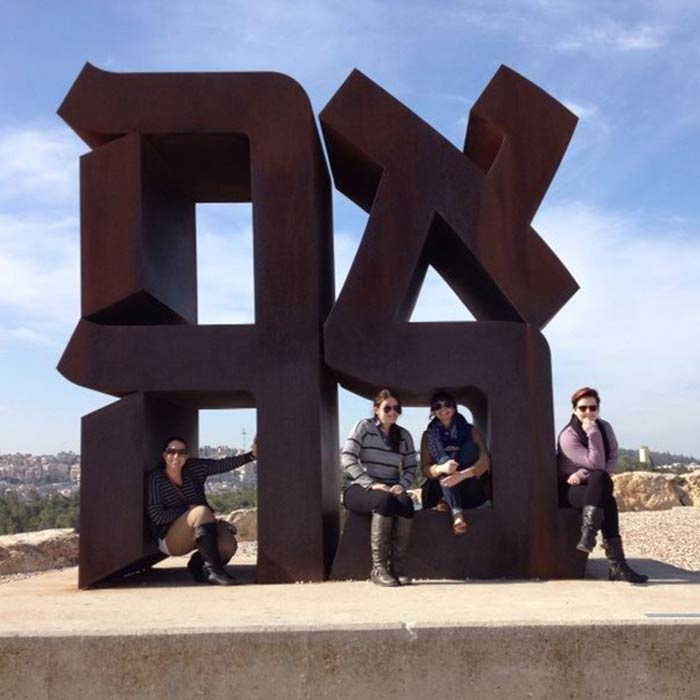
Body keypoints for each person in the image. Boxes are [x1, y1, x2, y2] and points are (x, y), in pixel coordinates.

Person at [557, 387, 647, 583]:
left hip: (592, 484)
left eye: (593, 407)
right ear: (574, 410)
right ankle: (618, 565)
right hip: (569, 489)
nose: (588, 412)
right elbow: (597, 463)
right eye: (582, 408)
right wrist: (591, 430)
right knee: (607, 497)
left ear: (598, 408)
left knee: (601, 482)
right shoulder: (568, 435)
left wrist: (581, 473)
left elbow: (612, 459)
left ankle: (589, 536)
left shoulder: (605, 427)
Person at [147, 436, 257, 586]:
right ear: (164, 454)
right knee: (201, 512)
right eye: (171, 452)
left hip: (197, 528)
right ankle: (215, 572)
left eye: (181, 452)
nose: (176, 456)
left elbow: (221, 465)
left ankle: (197, 564)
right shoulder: (156, 478)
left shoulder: (193, 469)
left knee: (228, 546)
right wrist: (188, 510)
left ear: (186, 456)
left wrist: (251, 456)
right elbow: (157, 516)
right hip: (170, 539)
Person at [341, 389, 417, 586]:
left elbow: (410, 467)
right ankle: (378, 568)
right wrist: (372, 484)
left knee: (405, 503)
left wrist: (402, 485)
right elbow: (347, 457)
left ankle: (397, 567)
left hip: (392, 487)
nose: (393, 412)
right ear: (376, 409)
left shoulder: (404, 436)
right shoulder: (363, 427)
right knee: (383, 501)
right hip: (359, 487)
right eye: (387, 408)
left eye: (397, 408)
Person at [420, 391, 490, 535]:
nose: (443, 409)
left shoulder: (470, 430)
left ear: (455, 407)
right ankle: (457, 515)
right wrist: (441, 467)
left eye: (447, 404)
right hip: (442, 485)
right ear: (433, 411)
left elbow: (485, 460)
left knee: (470, 448)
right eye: (437, 406)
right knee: (445, 461)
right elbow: (425, 469)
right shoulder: (428, 436)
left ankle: (448, 503)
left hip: (468, 487)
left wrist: (462, 475)